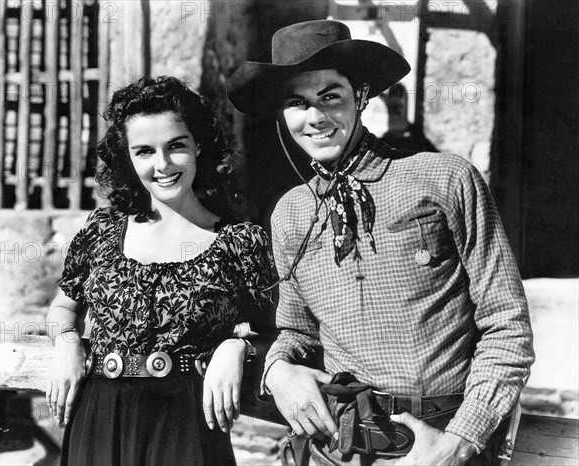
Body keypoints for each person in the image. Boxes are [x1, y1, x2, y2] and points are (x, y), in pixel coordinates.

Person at [227, 20, 534, 465]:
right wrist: (276, 370)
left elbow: (508, 329)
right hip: (339, 448)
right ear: (281, 114)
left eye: (330, 96)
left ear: (361, 96)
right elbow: (296, 330)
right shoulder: (291, 212)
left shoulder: (444, 178)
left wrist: (458, 444)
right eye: (296, 103)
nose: (315, 117)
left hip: (442, 444)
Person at [45, 76, 276, 466]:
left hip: (188, 428)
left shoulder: (240, 243)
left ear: (199, 145)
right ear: (128, 158)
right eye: (144, 152)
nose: (163, 164)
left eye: (176, 146)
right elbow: (62, 309)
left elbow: (277, 332)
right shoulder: (103, 230)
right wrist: (67, 342)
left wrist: (238, 347)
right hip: (100, 421)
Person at [379, 83, 437, 153]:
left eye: (398, 107)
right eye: (391, 107)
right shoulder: (381, 145)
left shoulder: (419, 141)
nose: (394, 112)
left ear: (406, 107)